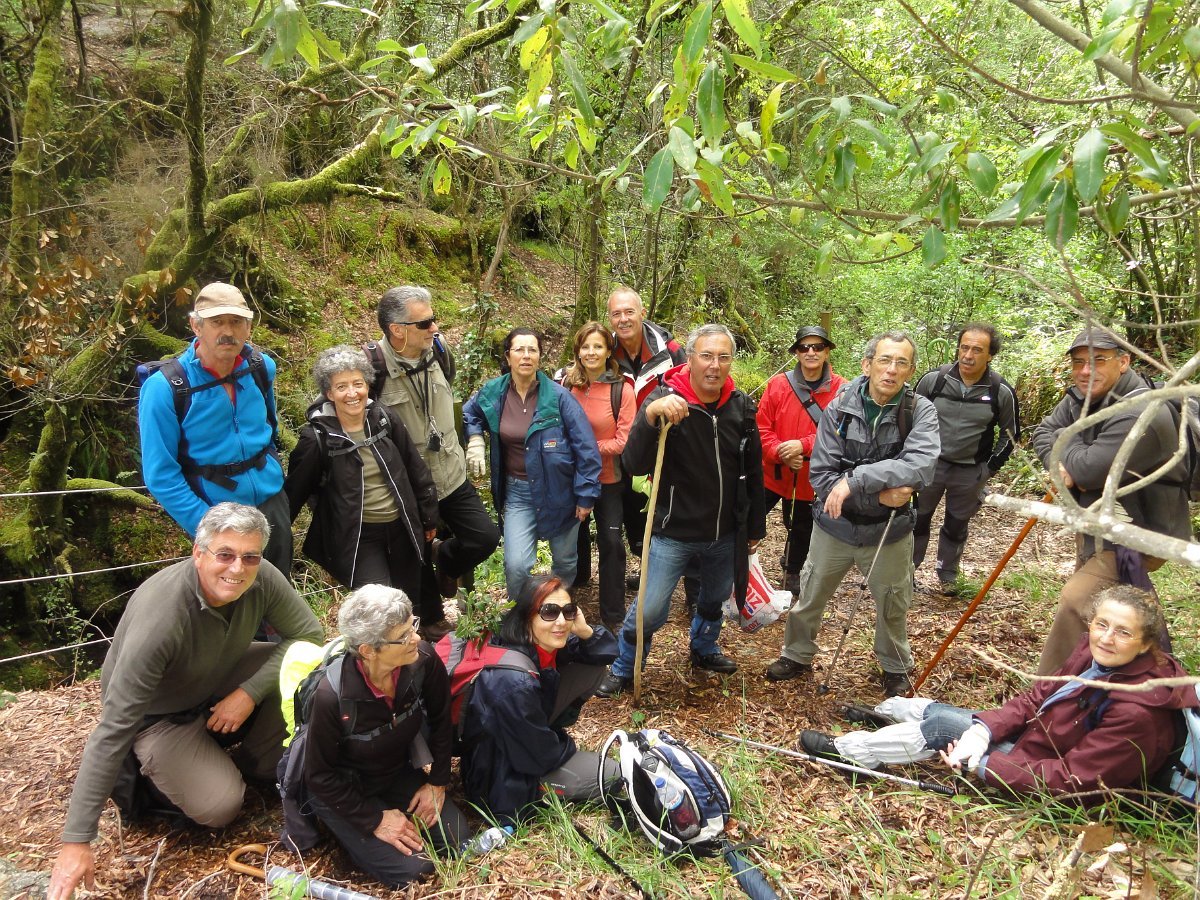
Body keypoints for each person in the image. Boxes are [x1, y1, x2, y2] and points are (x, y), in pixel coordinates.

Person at [47, 503, 323, 900]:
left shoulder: (262, 577)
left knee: (300, 665)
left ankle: (259, 761)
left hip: (215, 674)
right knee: (221, 807)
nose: (237, 568)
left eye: (250, 556)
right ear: (198, 553)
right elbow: (113, 727)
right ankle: (161, 774)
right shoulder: (161, 619)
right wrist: (76, 841)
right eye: (224, 554)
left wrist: (248, 693)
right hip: (158, 716)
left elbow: (309, 636)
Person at [799, 586, 1198, 802]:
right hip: (1042, 738)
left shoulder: (1138, 711)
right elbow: (1036, 697)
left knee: (940, 726)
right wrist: (986, 730)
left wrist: (986, 764)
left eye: (1123, 632)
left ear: (1147, 644)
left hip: (1051, 777)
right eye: (1102, 624)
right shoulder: (1093, 652)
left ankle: (849, 754)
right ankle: (882, 714)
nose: (1107, 638)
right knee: (930, 709)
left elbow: (1075, 782)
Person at [765, 331, 939, 697]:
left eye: (901, 363)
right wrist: (884, 487)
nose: (891, 370)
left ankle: (894, 666)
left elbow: (922, 467)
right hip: (835, 526)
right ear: (867, 364)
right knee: (810, 593)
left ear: (910, 371)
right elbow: (822, 474)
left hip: (888, 531)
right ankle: (796, 654)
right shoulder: (840, 406)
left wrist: (857, 480)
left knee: (893, 602)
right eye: (884, 360)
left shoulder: (920, 410)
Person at [596, 324, 767, 697]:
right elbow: (634, 463)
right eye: (706, 355)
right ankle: (625, 665)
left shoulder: (741, 407)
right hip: (673, 531)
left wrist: (755, 526)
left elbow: (753, 471)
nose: (714, 365)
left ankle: (704, 647)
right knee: (651, 608)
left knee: (716, 594)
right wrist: (650, 414)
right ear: (689, 358)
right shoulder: (665, 400)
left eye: (723, 357)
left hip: (724, 532)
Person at [1031, 326, 1191, 675]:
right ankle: (1115, 675)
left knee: (1078, 602)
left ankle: (1047, 694)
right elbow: (1042, 432)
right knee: (1113, 608)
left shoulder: (1143, 413)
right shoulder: (1082, 396)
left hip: (1137, 533)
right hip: (1097, 523)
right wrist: (1062, 462)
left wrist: (1065, 445)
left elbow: (1087, 470)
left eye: (1097, 360)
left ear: (1124, 362)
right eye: (1078, 363)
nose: (1086, 371)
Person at [302, 584, 466, 887]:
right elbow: (319, 776)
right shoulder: (331, 697)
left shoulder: (423, 662)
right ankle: (346, 836)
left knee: (457, 840)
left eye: (412, 625)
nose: (416, 638)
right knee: (415, 871)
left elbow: (443, 722)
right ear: (368, 650)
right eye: (403, 636)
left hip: (393, 773)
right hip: (345, 790)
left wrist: (437, 783)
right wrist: (374, 819)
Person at [369, 286, 501, 630]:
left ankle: (446, 558)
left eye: (434, 319)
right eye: (425, 322)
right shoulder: (372, 369)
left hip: (451, 475)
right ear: (397, 329)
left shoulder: (439, 352)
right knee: (413, 557)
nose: (434, 328)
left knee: (485, 536)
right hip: (410, 487)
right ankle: (431, 620)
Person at [139, 282, 292, 573]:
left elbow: (270, 428)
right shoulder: (167, 388)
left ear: (248, 327)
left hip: (272, 501)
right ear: (196, 326)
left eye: (236, 322)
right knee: (229, 604)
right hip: (215, 509)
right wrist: (207, 524)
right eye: (217, 322)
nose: (228, 331)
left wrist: (275, 481)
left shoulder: (261, 367)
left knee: (278, 595)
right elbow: (161, 475)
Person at [459, 575, 619, 824]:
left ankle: (544, 734)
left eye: (568, 612)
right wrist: (563, 742)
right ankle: (543, 789)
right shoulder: (513, 682)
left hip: (522, 740)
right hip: (497, 774)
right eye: (548, 612)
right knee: (612, 774)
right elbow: (540, 755)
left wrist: (585, 630)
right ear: (527, 617)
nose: (560, 621)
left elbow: (606, 652)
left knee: (592, 665)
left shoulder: (542, 641)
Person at [284, 346, 439, 601]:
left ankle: (414, 639)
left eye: (358, 383)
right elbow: (296, 492)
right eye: (341, 386)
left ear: (367, 385)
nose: (352, 393)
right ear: (329, 393)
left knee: (408, 600)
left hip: (402, 526)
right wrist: (272, 534)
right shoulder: (317, 439)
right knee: (379, 604)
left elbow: (415, 468)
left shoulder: (384, 419)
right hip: (357, 536)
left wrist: (428, 517)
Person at [462, 328, 602, 600]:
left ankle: (558, 611)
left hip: (560, 492)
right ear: (508, 356)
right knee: (516, 566)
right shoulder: (494, 392)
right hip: (518, 493)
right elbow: (470, 412)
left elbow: (586, 448)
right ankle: (521, 620)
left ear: (540, 356)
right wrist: (476, 439)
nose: (526, 356)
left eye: (532, 350)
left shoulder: (559, 398)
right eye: (519, 350)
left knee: (564, 562)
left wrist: (586, 495)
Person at [913, 324, 1020, 590]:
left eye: (977, 350)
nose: (968, 355)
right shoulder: (934, 380)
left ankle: (947, 575)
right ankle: (906, 573)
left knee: (956, 525)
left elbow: (1010, 435)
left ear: (990, 355)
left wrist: (989, 469)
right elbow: (908, 417)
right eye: (964, 347)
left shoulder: (1000, 390)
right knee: (916, 519)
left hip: (970, 471)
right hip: (929, 466)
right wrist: (911, 457)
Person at [756, 325, 847, 593]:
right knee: (749, 516)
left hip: (812, 476)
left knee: (800, 526)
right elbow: (761, 427)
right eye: (804, 347)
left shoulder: (842, 389)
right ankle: (740, 565)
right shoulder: (778, 385)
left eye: (817, 347)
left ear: (827, 351)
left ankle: (793, 570)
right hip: (772, 472)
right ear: (796, 352)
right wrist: (780, 452)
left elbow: (840, 433)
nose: (811, 352)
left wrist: (802, 446)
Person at [561, 322, 636, 630]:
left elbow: (623, 441)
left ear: (608, 351)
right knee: (572, 537)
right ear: (578, 351)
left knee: (610, 540)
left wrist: (584, 447)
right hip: (572, 479)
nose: (591, 352)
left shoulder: (622, 389)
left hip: (609, 480)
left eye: (597, 346)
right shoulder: (567, 385)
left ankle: (613, 613)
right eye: (585, 346)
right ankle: (576, 589)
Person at [606, 286, 687, 563]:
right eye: (616, 314)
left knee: (668, 509)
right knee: (634, 515)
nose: (624, 319)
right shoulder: (606, 352)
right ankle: (646, 564)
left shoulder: (670, 350)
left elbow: (689, 386)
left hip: (667, 443)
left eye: (629, 311)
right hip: (625, 447)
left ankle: (674, 567)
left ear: (643, 312)